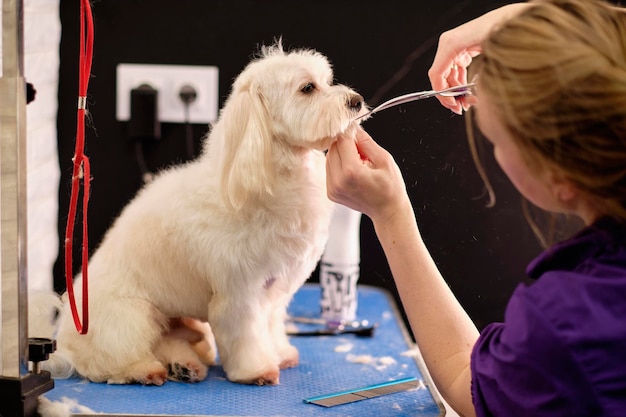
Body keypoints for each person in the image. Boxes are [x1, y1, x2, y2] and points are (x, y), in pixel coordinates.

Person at [325, 0, 626, 416]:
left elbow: (469, 384)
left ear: (561, 179)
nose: (495, 152)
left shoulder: (577, 317)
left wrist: (391, 214)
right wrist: (531, 22)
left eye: (498, 142)